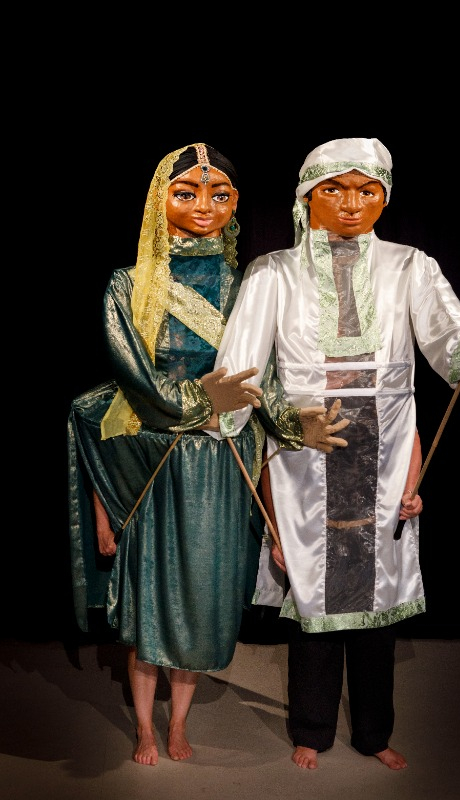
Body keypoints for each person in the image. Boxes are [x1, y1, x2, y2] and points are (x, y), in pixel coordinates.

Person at [210, 138, 460, 770]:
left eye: (367, 191)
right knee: (312, 592)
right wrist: (236, 400)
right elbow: (242, 364)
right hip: (305, 442)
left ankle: (373, 732)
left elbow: (448, 336)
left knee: (377, 601)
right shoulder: (273, 272)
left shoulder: (409, 265)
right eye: (333, 190)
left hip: (385, 443)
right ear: (305, 197)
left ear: (384, 198)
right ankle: (311, 729)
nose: (351, 204)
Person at [67, 143, 349, 767]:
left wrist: (292, 423)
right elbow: (137, 376)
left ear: (236, 204)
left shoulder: (245, 285)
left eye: (219, 194)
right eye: (187, 192)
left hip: (221, 462)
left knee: (202, 598)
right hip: (158, 458)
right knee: (153, 599)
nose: (204, 205)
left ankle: (179, 723)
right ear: (159, 200)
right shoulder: (128, 286)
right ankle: (145, 728)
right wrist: (198, 399)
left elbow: (263, 374)